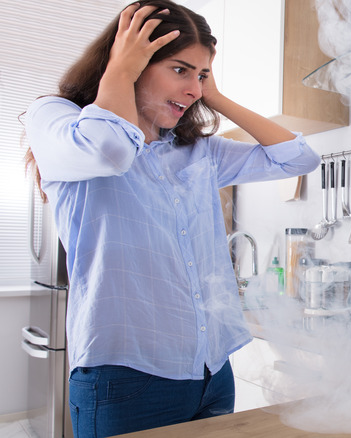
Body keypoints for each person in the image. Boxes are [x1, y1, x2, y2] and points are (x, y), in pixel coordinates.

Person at [23, 1, 320, 436]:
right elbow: (111, 150)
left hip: (212, 372)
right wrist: (120, 73)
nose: (194, 88)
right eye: (180, 70)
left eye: (201, 75)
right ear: (131, 59)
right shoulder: (59, 119)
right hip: (127, 377)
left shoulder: (199, 151)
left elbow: (300, 158)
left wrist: (214, 96)